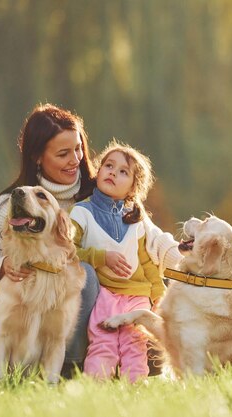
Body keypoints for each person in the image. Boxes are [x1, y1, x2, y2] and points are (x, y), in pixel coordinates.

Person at [0, 103, 182, 376]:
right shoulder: (12, 205)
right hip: (45, 328)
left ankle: (105, 356)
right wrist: (2, 267)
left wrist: (189, 262)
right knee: (84, 271)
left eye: (78, 148)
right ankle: (70, 364)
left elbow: (153, 239)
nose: (75, 159)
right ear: (37, 157)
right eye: (63, 153)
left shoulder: (103, 191)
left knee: (149, 357)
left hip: (114, 308)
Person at [69, 141, 165, 383]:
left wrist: (157, 293)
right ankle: (96, 387)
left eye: (123, 172)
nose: (112, 172)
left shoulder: (135, 218)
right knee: (103, 340)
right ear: (98, 171)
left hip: (137, 296)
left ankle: (134, 389)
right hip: (106, 294)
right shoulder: (81, 212)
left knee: (135, 344)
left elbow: (146, 261)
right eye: (108, 166)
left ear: (134, 187)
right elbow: (68, 251)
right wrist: (101, 258)